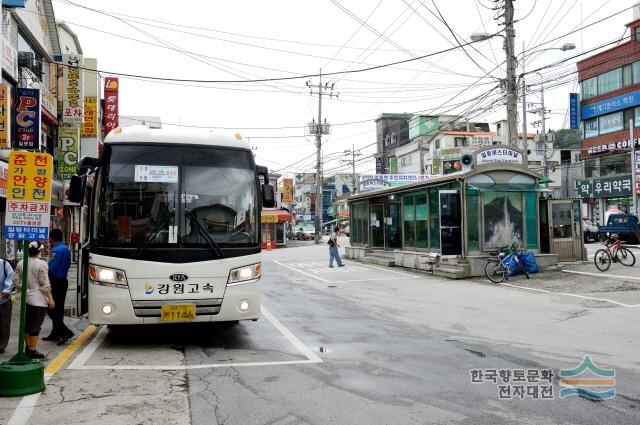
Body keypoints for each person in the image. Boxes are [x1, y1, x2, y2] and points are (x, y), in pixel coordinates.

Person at [12, 241, 55, 359]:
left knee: (26, 325)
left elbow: (15, 281)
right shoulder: (42, 264)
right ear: (39, 251)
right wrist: (50, 299)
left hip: (26, 298)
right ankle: (32, 350)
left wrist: (24, 288)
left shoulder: (21, 262)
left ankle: (28, 347)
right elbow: (45, 284)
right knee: (35, 326)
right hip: (39, 299)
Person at [44, 228, 74, 345]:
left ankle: (64, 331)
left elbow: (51, 269)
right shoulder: (66, 249)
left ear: (51, 238)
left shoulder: (56, 250)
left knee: (51, 308)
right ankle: (55, 333)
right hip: (63, 281)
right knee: (59, 308)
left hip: (54, 282)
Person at [0, 256, 15, 354]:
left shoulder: (4, 263)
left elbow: (11, 277)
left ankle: (1, 345)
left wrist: (6, 290)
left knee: (3, 323)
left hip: (2, 299)